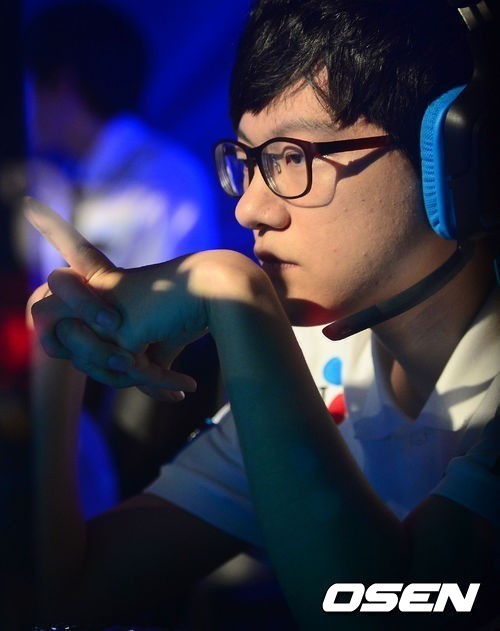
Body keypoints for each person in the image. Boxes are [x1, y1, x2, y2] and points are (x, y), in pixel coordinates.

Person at [27, 0, 499, 629]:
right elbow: (67, 594)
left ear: (461, 155)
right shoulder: (318, 366)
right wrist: (61, 345)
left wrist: (231, 288)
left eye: (291, 156)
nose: (249, 208)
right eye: (250, 162)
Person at [21, 1, 222, 507]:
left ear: (63, 84)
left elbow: (172, 330)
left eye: (31, 85)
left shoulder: (166, 179)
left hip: (137, 428)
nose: (25, 105)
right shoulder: (53, 179)